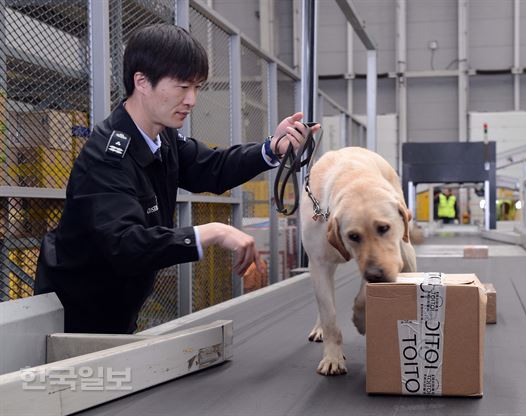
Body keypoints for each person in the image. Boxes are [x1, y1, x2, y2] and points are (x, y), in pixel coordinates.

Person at [34, 23, 318, 334]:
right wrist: (210, 232)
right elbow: (125, 245)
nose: (192, 100)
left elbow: (212, 167)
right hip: (75, 316)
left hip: (117, 303)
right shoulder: (106, 158)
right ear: (141, 81)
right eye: (183, 87)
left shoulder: (162, 137)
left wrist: (272, 148)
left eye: (197, 87)